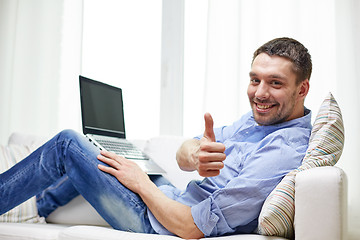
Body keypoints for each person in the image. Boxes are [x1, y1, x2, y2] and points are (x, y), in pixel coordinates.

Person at [0, 37, 312, 239]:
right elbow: (184, 151)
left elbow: (191, 227)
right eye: (255, 79)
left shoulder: (283, 149)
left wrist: (141, 183)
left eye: (275, 83)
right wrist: (193, 153)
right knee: (118, 152)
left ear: (302, 89)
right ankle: (39, 208)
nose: (260, 93)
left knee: (67, 144)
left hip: (162, 224)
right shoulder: (258, 119)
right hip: (173, 198)